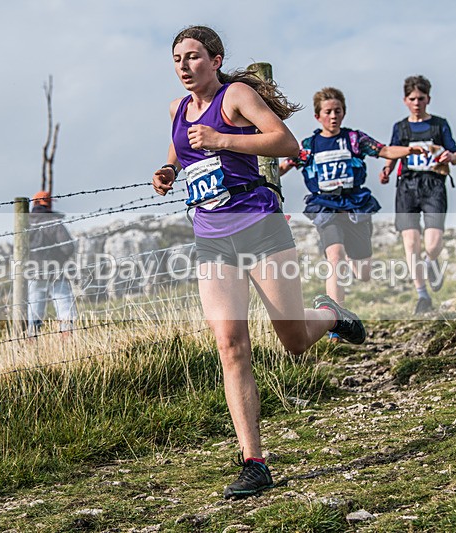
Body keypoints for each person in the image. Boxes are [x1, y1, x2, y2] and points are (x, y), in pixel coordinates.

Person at [152, 25, 365, 500]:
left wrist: (223, 140)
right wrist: (168, 170)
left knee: (291, 340)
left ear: (215, 58)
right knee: (231, 345)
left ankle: (330, 313)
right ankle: (254, 462)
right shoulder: (177, 109)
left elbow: (286, 144)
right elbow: (183, 149)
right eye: (177, 60)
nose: (184, 67)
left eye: (193, 57)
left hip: (260, 229)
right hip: (211, 239)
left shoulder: (237, 96)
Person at [280, 87, 426, 340]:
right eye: (328, 112)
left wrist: (408, 151)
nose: (333, 116)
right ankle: (336, 322)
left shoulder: (355, 140)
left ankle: (350, 262)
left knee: (363, 272)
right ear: (318, 116)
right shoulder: (309, 146)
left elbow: (385, 150)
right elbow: (285, 165)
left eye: (338, 111)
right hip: (326, 207)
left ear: (344, 112)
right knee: (334, 257)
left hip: (356, 207)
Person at [379, 75, 456, 314]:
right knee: (411, 244)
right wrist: (386, 171)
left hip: (434, 185)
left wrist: (450, 156)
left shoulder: (439, 125)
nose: (417, 103)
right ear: (405, 100)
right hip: (407, 186)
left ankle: (431, 262)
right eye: (412, 99)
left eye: (421, 98)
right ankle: (422, 295)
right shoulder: (400, 128)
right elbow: (392, 153)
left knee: (433, 243)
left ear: (428, 99)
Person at [26, 190, 78, 336]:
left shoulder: (24, 224)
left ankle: (31, 340)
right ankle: (66, 339)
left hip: (33, 273)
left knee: (34, 310)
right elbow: (68, 247)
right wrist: (58, 259)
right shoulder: (55, 223)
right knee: (64, 306)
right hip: (55, 272)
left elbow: (19, 250)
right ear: (47, 204)